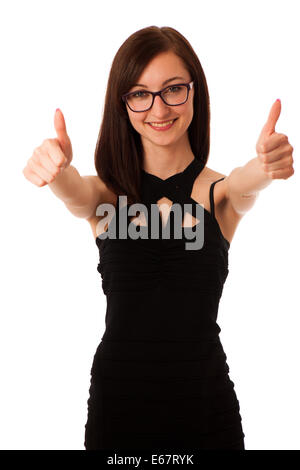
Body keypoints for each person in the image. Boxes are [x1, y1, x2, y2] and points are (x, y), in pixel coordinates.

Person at [23, 25, 294, 451]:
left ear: (194, 92)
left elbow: (247, 181)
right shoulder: (107, 197)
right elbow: (74, 191)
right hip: (118, 409)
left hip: (206, 409)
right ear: (123, 103)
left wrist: (267, 165)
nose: (158, 108)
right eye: (139, 93)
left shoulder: (217, 195)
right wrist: (54, 171)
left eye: (172, 89)